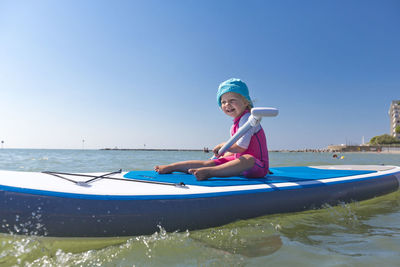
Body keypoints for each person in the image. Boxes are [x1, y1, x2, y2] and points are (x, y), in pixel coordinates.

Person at [155, 78, 269, 180]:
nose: (227, 104)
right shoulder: (235, 124)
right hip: (240, 163)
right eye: (223, 102)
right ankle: (173, 167)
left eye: (232, 100)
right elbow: (238, 149)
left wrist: (223, 145)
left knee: (248, 158)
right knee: (211, 162)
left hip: (257, 166)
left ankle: (211, 172)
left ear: (245, 101)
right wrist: (224, 152)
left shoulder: (249, 118)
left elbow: (241, 147)